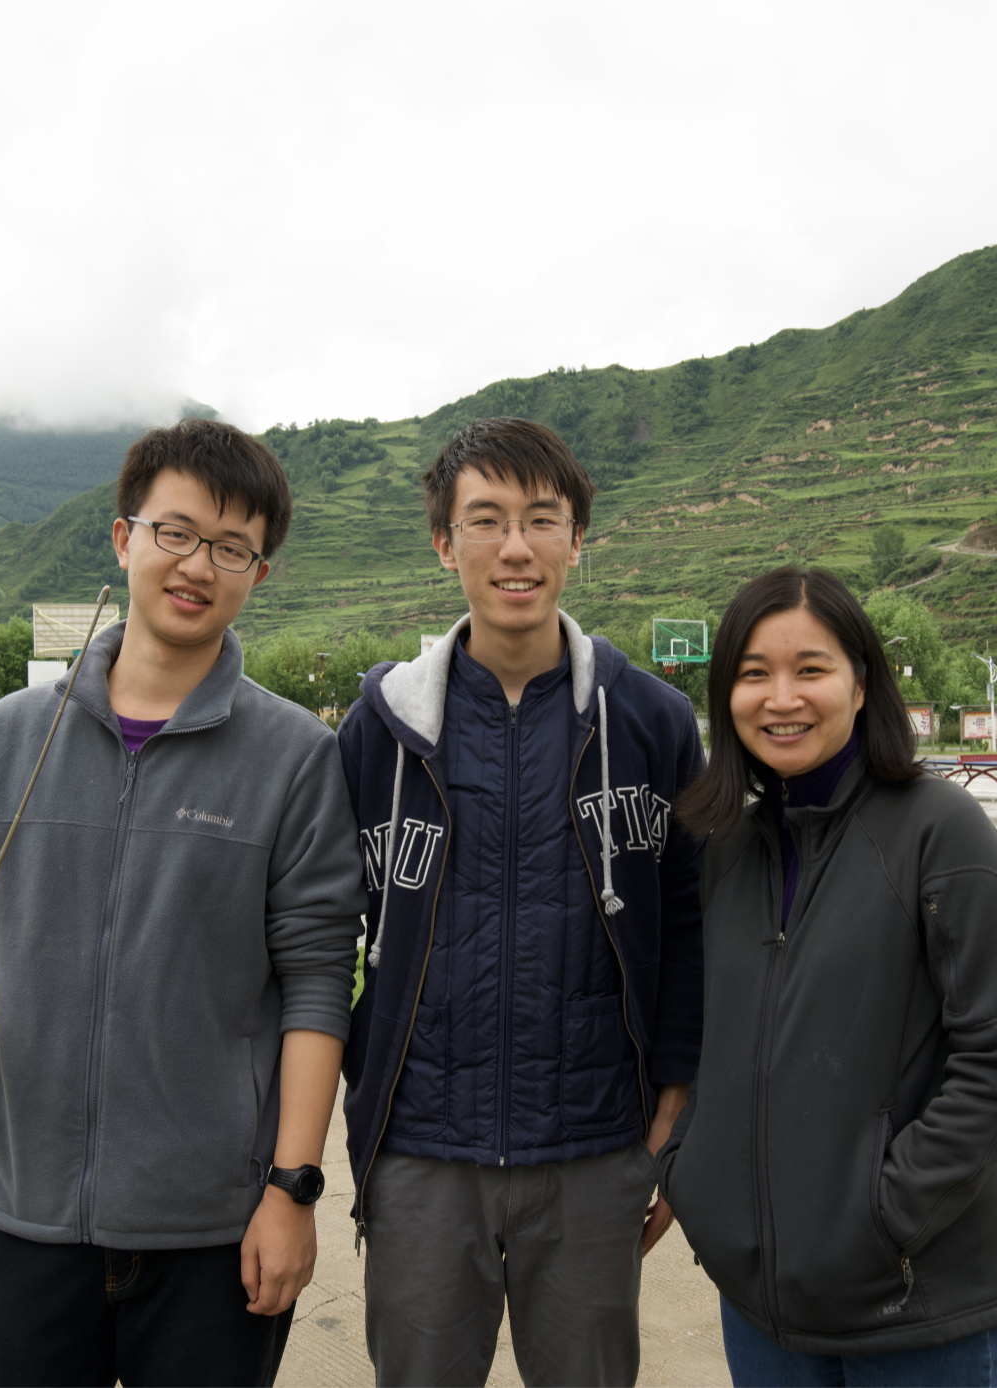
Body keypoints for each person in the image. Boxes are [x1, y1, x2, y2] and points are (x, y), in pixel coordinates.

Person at [0, 418, 367, 1388]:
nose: (198, 564)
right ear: (124, 537)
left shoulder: (294, 758)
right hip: (24, 1216)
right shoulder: (14, 731)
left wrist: (292, 1188)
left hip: (212, 1232)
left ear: (257, 573)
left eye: (232, 548)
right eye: (175, 531)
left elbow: (318, 980)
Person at [338, 416, 706, 1387]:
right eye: (486, 519)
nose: (514, 546)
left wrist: (677, 1090)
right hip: (419, 1150)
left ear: (576, 540)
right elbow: (319, 930)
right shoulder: (378, 729)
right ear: (443, 541)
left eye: (541, 520)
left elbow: (691, 915)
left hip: (593, 1150)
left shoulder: (650, 721)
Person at [659, 566, 997, 1388]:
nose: (782, 697)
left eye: (811, 669)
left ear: (862, 684)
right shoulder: (729, 848)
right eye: (753, 673)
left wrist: (882, 1220)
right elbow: (713, 1037)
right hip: (764, 1316)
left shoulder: (942, 833)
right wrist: (697, 1176)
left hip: (914, 1312)